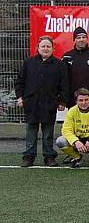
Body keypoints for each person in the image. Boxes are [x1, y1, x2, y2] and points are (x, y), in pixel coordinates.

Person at [14, 36, 69, 167]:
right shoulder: (28, 63)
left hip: (49, 103)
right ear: (37, 48)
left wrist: (62, 102)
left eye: (48, 46)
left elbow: (64, 85)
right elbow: (20, 81)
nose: (45, 48)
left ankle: (49, 157)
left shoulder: (59, 65)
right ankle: (28, 157)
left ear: (53, 49)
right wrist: (20, 97)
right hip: (31, 103)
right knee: (31, 132)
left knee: (48, 133)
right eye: (43, 46)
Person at [62, 27, 89, 105]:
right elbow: (63, 79)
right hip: (73, 100)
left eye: (84, 37)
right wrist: (64, 98)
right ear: (74, 40)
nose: (81, 40)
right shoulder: (67, 57)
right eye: (78, 38)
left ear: (87, 39)